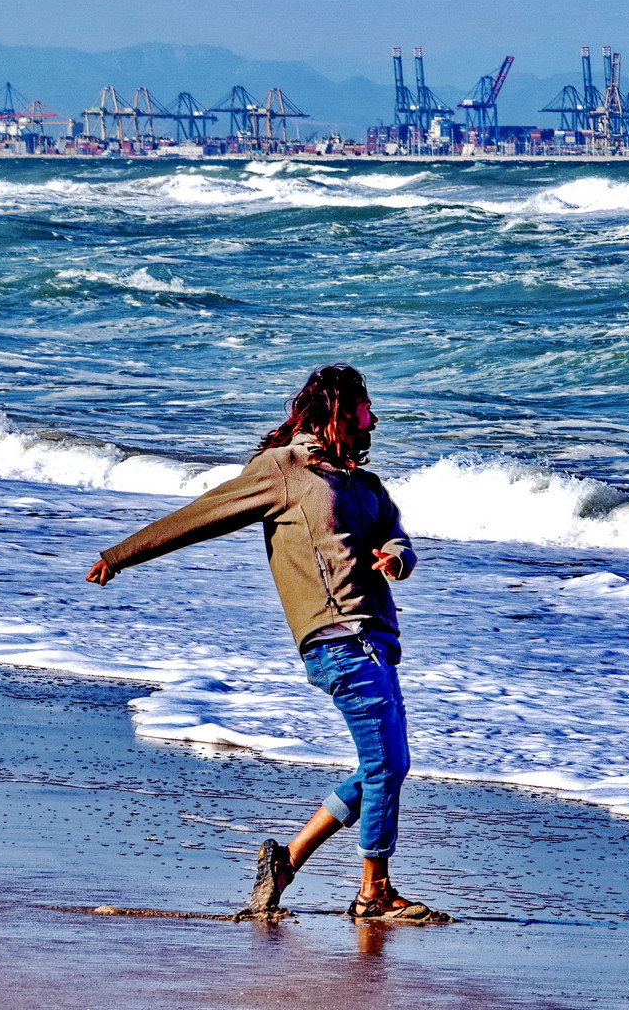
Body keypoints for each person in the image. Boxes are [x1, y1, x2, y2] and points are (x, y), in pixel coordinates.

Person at [85, 364, 448, 922]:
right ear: (336, 410)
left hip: (376, 639)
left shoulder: (364, 484)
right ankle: (373, 893)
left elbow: (395, 535)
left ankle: (286, 864)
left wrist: (397, 558)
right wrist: (120, 555)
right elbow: (203, 515)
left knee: (388, 765)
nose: (372, 417)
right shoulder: (283, 470)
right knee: (384, 764)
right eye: (363, 406)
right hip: (336, 640)